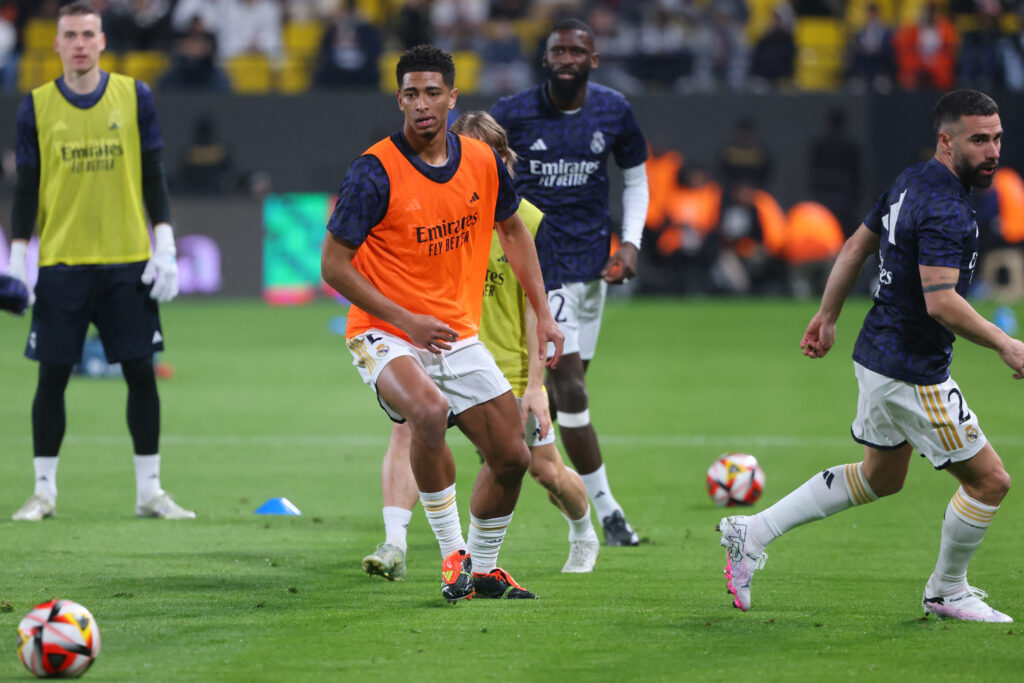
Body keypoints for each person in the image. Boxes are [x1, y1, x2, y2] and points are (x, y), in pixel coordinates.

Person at [718, 90, 1024, 622]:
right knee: (990, 481)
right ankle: (947, 590)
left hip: (877, 352)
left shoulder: (911, 179)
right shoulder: (945, 205)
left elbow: (858, 243)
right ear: (946, 141)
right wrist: (1005, 343)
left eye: (997, 138)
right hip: (912, 370)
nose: (993, 150)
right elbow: (942, 301)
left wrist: (828, 315)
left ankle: (752, 530)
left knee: (882, 477)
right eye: (980, 140)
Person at [321, 45, 564, 603]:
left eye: (433, 93)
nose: (422, 104)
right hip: (382, 330)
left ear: (453, 97)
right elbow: (333, 265)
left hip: (454, 332)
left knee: (512, 456)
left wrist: (545, 315)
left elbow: (515, 231)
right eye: (411, 94)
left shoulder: (481, 160)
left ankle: (483, 567)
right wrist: (406, 318)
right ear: (399, 99)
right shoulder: (373, 171)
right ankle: (452, 554)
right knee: (426, 411)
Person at [361, 111, 600, 582]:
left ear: (501, 161)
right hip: (440, 352)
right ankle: (398, 543)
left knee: (540, 467)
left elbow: (536, 304)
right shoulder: (435, 209)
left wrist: (536, 386)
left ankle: (584, 531)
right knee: (412, 427)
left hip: (506, 366)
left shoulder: (524, 220)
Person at [5, 1, 194, 522]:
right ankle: (44, 491)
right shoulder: (36, 106)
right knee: (51, 378)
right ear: (57, 43)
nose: (81, 43)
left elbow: (153, 173)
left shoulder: (134, 96)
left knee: (141, 373)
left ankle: (149, 491)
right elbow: (25, 189)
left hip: (127, 261)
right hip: (62, 263)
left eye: (89, 33)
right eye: (71, 34)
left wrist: (166, 245)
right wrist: (18, 259)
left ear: (103, 40)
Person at [491, 18, 649, 547]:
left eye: (576, 50)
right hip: (540, 266)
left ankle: (509, 457)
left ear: (593, 59)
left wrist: (630, 243)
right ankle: (607, 513)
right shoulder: (511, 113)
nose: (566, 57)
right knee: (572, 387)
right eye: (557, 49)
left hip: (591, 268)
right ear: (545, 57)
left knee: (560, 403)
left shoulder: (613, 110)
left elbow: (636, 177)